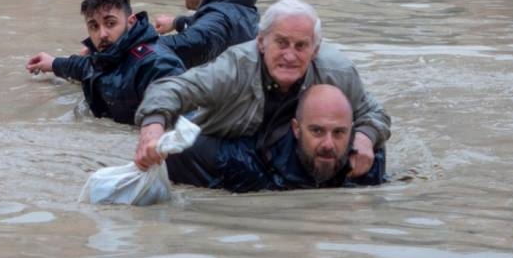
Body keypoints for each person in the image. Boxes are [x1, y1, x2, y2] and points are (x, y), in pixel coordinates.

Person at [134, 0, 391, 178]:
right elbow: (169, 89)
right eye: (281, 43)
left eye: (301, 46)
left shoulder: (338, 72)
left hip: (288, 148)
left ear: (316, 50)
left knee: (372, 156)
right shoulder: (233, 68)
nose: (290, 56)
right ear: (261, 42)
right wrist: (152, 129)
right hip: (230, 144)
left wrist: (365, 137)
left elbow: (374, 114)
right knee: (181, 151)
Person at [165, 84, 387, 192]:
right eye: (317, 131)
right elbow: (177, 149)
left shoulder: (366, 162)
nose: (329, 144)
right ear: (296, 129)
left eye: (339, 133)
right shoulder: (246, 162)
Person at [26, 0, 185, 125]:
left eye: (110, 23)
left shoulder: (154, 62)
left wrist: (154, 126)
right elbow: (84, 67)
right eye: (94, 26)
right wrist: (53, 63)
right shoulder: (105, 57)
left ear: (131, 22)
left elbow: (180, 102)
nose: (102, 34)